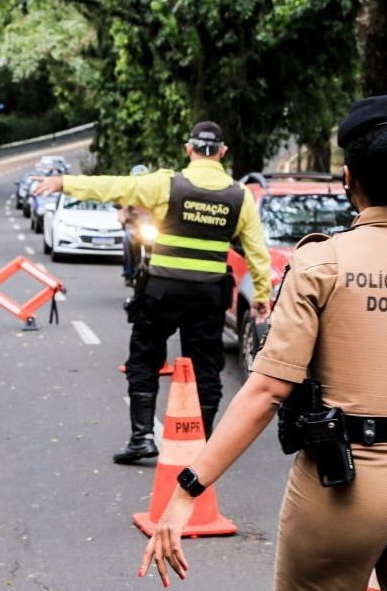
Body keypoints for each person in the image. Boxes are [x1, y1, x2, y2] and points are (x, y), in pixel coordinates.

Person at [138, 96, 387, 589]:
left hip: (340, 491)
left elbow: (266, 392)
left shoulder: (321, 264)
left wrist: (188, 488)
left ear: (349, 178)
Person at [33, 121, 272, 463]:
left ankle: (142, 437)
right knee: (206, 368)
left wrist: (64, 182)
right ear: (222, 152)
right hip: (208, 297)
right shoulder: (240, 197)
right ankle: (200, 447)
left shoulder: (166, 184)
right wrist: (261, 295)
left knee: (144, 358)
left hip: (162, 292)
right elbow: (257, 252)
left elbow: (115, 186)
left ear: (189, 149)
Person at [118, 164, 152, 287]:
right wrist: (123, 218)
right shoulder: (129, 195)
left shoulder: (154, 194)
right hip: (135, 229)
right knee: (127, 239)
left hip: (151, 229)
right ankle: (128, 272)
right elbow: (122, 211)